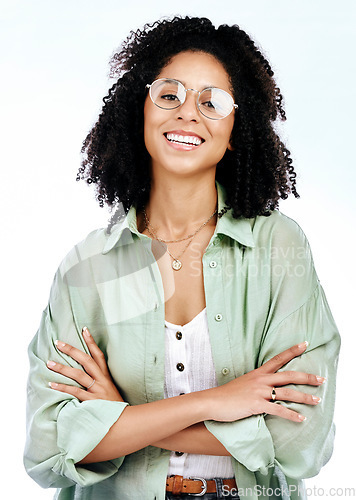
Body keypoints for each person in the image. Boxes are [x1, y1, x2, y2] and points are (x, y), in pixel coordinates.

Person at [24, 16, 340, 500]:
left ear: (236, 129)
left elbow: (299, 442)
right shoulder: (85, 268)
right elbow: (50, 448)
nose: (188, 113)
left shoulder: (279, 249)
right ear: (141, 110)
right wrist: (219, 402)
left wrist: (121, 419)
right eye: (169, 95)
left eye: (212, 102)